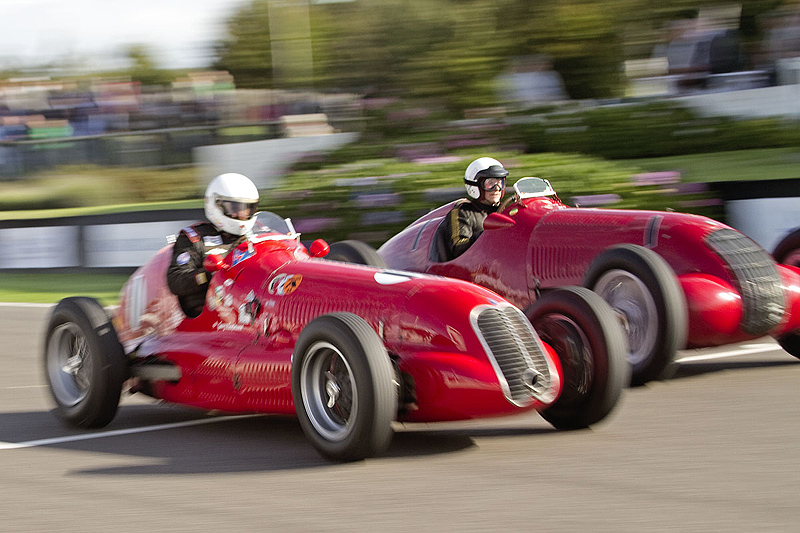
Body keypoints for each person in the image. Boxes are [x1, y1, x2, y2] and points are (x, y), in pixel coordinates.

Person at [166, 173, 259, 316]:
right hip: (210, 316)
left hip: (249, 307)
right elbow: (176, 282)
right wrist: (207, 274)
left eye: (247, 209)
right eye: (235, 208)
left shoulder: (254, 237)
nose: (242, 214)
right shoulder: (194, 238)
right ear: (216, 204)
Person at [440, 157, 509, 260]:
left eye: (500, 183)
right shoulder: (462, 212)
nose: (497, 188)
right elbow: (458, 247)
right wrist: (489, 234)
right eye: (490, 184)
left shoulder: (506, 211)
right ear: (476, 186)